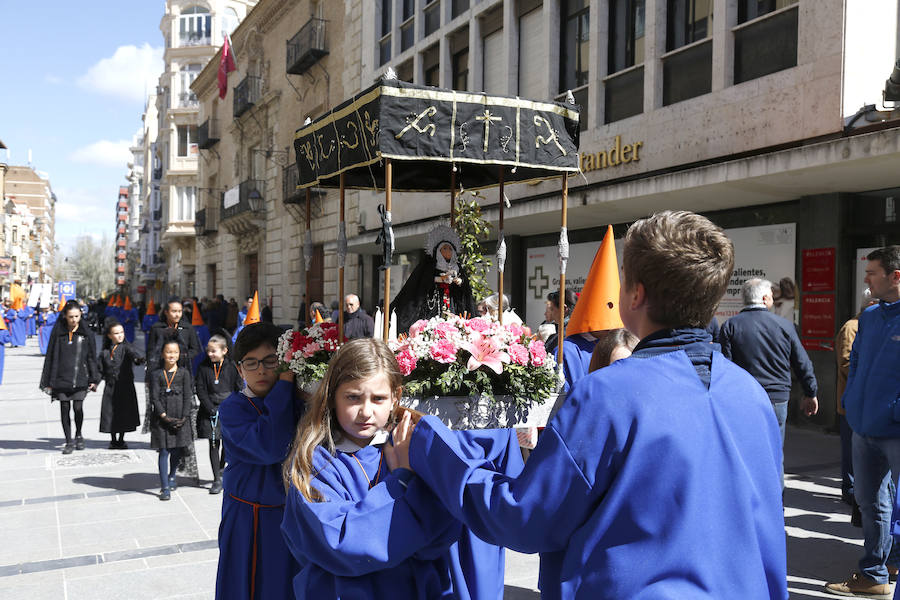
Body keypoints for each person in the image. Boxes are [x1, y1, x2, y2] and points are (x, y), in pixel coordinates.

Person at [395, 210, 788, 599]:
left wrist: (429, 447)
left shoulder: (607, 394)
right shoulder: (751, 394)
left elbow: (525, 518)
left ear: (635, 294)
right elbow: (769, 537)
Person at [281, 338, 521, 600]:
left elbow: (441, 534)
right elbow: (341, 543)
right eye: (353, 397)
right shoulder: (316, 461)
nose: (366, 411)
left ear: (396, 396)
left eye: (378, 398)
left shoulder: (411, 445)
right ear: (332, 396)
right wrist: (402, 482)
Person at [825, 246, 900, 598]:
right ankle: (874, 575)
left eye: (872, 273)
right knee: (871, 503)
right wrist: (852, 405)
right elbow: (853, 364)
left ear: (894, 276)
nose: (866, 279)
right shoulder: (869, 318)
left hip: (895, 430)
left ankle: (892, 563)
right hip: (863, 427)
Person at [215, 322, 304, 600]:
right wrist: (285, 383)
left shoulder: (295, 400)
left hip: (288, 512)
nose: (262, 370)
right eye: (251, 363)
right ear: (239, 370)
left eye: (270, 361)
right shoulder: (233, 408)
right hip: (248, 517)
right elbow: (270, 445)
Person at [717, 277, 818, 489]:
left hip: (743, 399)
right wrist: (810, 392)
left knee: (745, 453)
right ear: (764, 299)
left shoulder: (730, 326)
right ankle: (775, 507)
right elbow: (802, 362)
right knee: (774, 454)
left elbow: (724, 368)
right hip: (777, 399)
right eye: (771, 296)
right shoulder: (785, 326)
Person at [834, 289, 878, 522]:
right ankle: (849, 489)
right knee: (851, 448)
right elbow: (846, 363)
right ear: (870, 304)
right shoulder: (852, 327)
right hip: (851, 402)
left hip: (867, 402)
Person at [391, 224, 477, 334]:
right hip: (434, 303)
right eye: (444, 248)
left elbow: (465, 286)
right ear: (438, 251)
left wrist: (460, 282)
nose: (448, 251)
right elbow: (423, 282)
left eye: (450, 249)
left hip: (451, 302)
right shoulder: (430, 265)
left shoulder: (457, 267)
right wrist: (440, 279)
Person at [40, 300, 101, 454]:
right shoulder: (58, 333)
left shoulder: (85, 334)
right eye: (71, 317)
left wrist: (94, 379)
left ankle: (79, 434)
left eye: (77, 316)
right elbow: (51, 357)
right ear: (65, 317)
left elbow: (92, 357)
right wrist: (49, 380)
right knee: (65, 408)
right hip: (61, 378)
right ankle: (68, 441)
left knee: (78, 408)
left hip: (81, 377)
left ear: (81, 315)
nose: (74, 320)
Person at [195, 334, 242, 495]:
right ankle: (216, 478)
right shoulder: (203, 367)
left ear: (224, 351)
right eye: (208, 351)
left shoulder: (232, 366)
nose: (210, 354)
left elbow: (238, 387)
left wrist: (234, 407)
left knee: (227, 444)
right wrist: (209, 407)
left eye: (214, 351)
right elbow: (200, 389)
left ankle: (222, 470)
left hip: (228, 410)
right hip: (210, 411)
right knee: (213, 443)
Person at [149, 340, 193, 500]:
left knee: (177, 450)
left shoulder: (184, 373)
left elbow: (188, 395)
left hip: (180, 418)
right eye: (168, 352)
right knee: (164, 452)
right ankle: (164, 487)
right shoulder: (156, 374)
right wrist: (163, 416)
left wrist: (185, 416)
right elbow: (154, 398)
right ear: (162, 354)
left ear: (179, 354)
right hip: (162, 420)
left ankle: (172, 475)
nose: (172, 355)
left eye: (175, 352)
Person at [98, 320, 143, 449]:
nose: (120, 335)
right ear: (109, 335)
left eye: (122, 332)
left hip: (125, 386)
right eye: (116, 333)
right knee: (110, 413)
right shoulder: (105, 352)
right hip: (110, 387)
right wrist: (93, 382)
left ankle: (121, 439)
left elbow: (133, 354)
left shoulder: (126, 347)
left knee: (123, 413)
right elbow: (99, 370)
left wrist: (138, 359)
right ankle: (113, 440)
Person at [542, 290, 577, 354]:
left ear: (563, 308)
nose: (551, 313)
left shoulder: (563, 335)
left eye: (552, 309)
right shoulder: (576, 330)